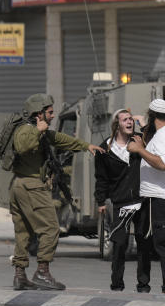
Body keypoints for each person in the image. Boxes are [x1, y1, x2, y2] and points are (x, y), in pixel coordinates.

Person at [10, 93, 103, 291]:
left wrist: (86, 146)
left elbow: (61, 139)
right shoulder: (25, 130)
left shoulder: (40, 131)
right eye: (50, 113)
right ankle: (42, 272)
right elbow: (22, 146)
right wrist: (38, 130)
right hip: (31, 186)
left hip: (20, 186)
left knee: (24, 231)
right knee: (51, 228)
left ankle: (20, 275)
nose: (53, 116)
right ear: (39, 114)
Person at [127, 99, 165, 295]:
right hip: (156, 197)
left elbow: (162, 164)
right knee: (151, 241)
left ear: (153, 116)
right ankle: (159, 287)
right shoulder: (164, 133)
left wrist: (139, 150)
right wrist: (143, 130)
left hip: (164, 197)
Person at [95, 108, 151, 293]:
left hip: (142, 199)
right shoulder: (105, 148)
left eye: (131, 120)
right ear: (116, 124)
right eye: (125, 119)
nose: (129, 122)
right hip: (121, 202)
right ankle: (117, 284)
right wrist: (101, 201)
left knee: (144, 242)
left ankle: (143, 284)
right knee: (119, 243)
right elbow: (101, 177)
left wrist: (143, 124)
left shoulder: (139, 140)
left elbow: (156, 143)